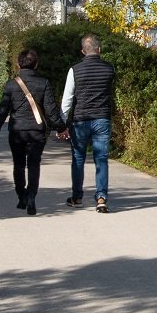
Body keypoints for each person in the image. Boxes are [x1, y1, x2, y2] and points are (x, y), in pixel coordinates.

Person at [0, 48, 65, 215]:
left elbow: (3, 110)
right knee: (33, 164)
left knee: (18, 164)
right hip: (37, 132)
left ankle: (21, 195)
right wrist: (61, 127)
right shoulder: (44, 83)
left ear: (18, 64)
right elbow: (51, 111)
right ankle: (32, 196)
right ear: (36, 64)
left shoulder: (10, 85)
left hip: (16, 131)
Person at [60, 33, 117, 214]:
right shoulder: (110, 69)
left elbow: (67, 99)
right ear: (99, 50)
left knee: (78, 159)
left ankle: (77, 197)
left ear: (82, 51)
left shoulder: (74, 70)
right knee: (101, 159)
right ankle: (101, 198)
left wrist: (62, 123)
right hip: (102, 119)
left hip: (80, 120)